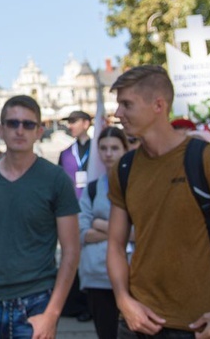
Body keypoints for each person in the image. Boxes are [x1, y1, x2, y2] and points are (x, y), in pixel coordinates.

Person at [107, 65, 210, 337]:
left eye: (126, 104)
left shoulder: (208, 160)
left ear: (158, 105)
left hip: (201, 326)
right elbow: (116, 245)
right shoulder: (125, 167)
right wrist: (123, 299)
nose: (118, 114)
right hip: (137, 323)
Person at [0, 95, 80, 338]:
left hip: (36, 303)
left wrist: (52, 314)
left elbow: (71, 251)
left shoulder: (56, 179)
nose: (20, 130)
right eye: (13, 123)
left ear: (39, 131)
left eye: (28, 124)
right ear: (1, 130)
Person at [78, 126, 129, 339]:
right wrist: (122, 231)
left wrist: (101, 224)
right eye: (104, 148)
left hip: (133, 275)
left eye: (115, 148)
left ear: (126, 149)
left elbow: (143, 232)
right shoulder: (92, 189)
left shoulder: (136, 185)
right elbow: (83, 233)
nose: (109, 153)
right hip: (97, 276)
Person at [58, 110, 93, 322]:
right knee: (73, 255)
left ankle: (92, 304)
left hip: (94, 209)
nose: (70, 125)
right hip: (72, 211)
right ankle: (78, 304)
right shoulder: (65, 153)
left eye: (73, 121)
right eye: (69, 122)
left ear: (86, 123)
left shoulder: (99, 148)